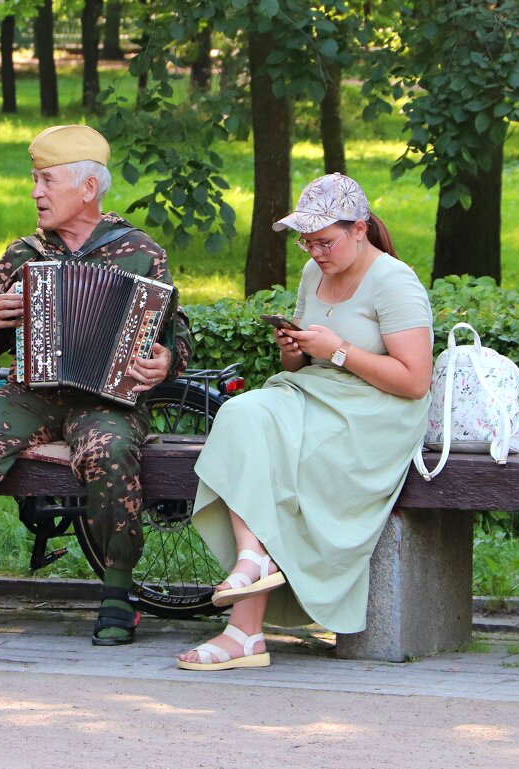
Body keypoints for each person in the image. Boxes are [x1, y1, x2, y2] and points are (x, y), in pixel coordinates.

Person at [0, 125, 192, 646]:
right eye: (34, 180)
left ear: (88, 188)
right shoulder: (24, 254)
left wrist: (164, 362)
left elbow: (177, 337)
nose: (35, 193)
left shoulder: (139, 252)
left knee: (110, 450)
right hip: (31, 395)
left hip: (105, 398)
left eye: (46, 181)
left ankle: (117, 592)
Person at [176, 173, 433, 670]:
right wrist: (294, 350)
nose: (315, 252)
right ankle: (253, 560)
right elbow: (301, 369)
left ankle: (244, 631)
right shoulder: (314, 275)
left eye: (325, 241)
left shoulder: (395, 281)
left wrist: (336, 350)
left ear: (359, 229)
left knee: (279, 462)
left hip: (375, 414)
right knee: (241, 412)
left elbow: (414, 381)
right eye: (307, 242)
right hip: (316, 395)